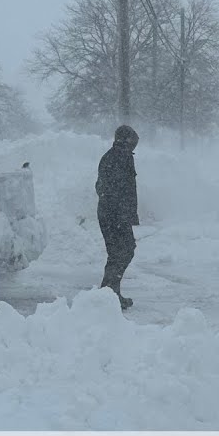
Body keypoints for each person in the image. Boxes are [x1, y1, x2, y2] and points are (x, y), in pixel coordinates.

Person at [96, 124, 139, 309]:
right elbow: (104, 188)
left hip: (115, 214)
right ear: (126, 140)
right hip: (114, 215)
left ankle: (110, 293)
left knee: (120, 252)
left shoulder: (119, 156)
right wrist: (120, 212)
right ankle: (108, 294)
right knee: (122, 252)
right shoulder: (117, 158)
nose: (135, 146)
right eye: (133, 142)